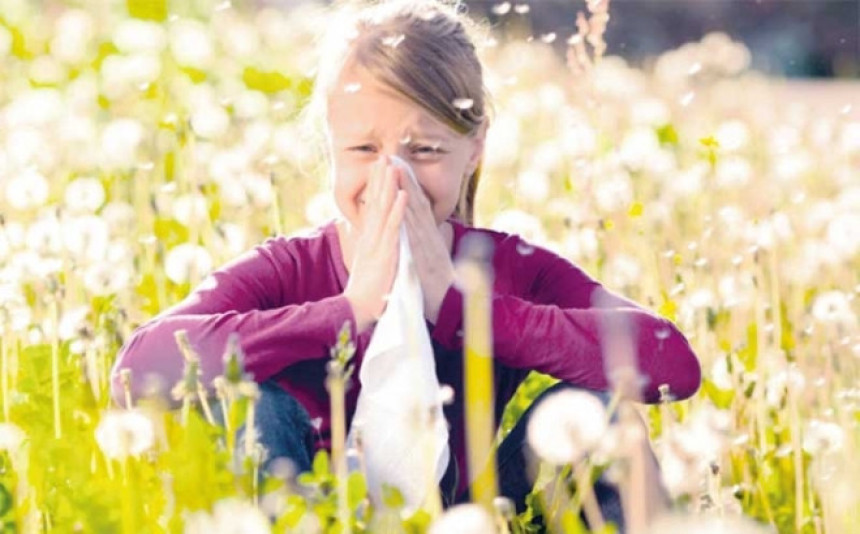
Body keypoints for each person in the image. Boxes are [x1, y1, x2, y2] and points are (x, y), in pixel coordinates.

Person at [111, 0, 701, 527]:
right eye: (364, 150)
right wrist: (346, 312)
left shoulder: (506, 265)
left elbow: (671, 362)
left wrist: (460, 307)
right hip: (302, 510)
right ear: (330, 145)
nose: (394, 178)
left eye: (425, 150)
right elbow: (137, 370)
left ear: (475, 150)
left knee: (607, 413)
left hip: (465, 516)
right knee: (256, 407)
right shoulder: (288, 268)